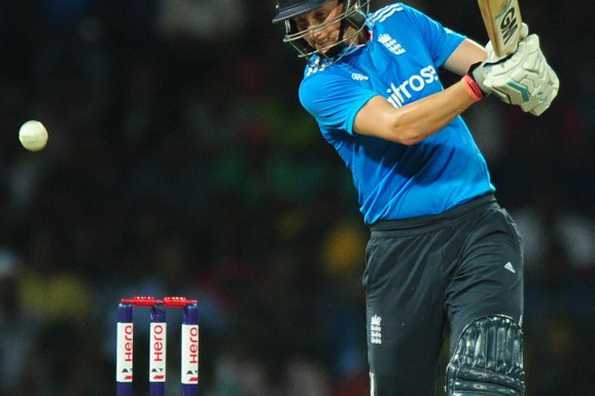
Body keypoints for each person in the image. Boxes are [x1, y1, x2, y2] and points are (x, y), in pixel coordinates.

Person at [272, 1, 559, 395]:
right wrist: (480, 83)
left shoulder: (401, 21)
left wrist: (521, 64)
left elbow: (487, 63)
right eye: (301, 24)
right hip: (402, 249)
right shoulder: (320, 85)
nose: (314, 32)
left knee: (487, 376)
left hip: (478, 224)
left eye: (319, 16)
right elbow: (401, 126)